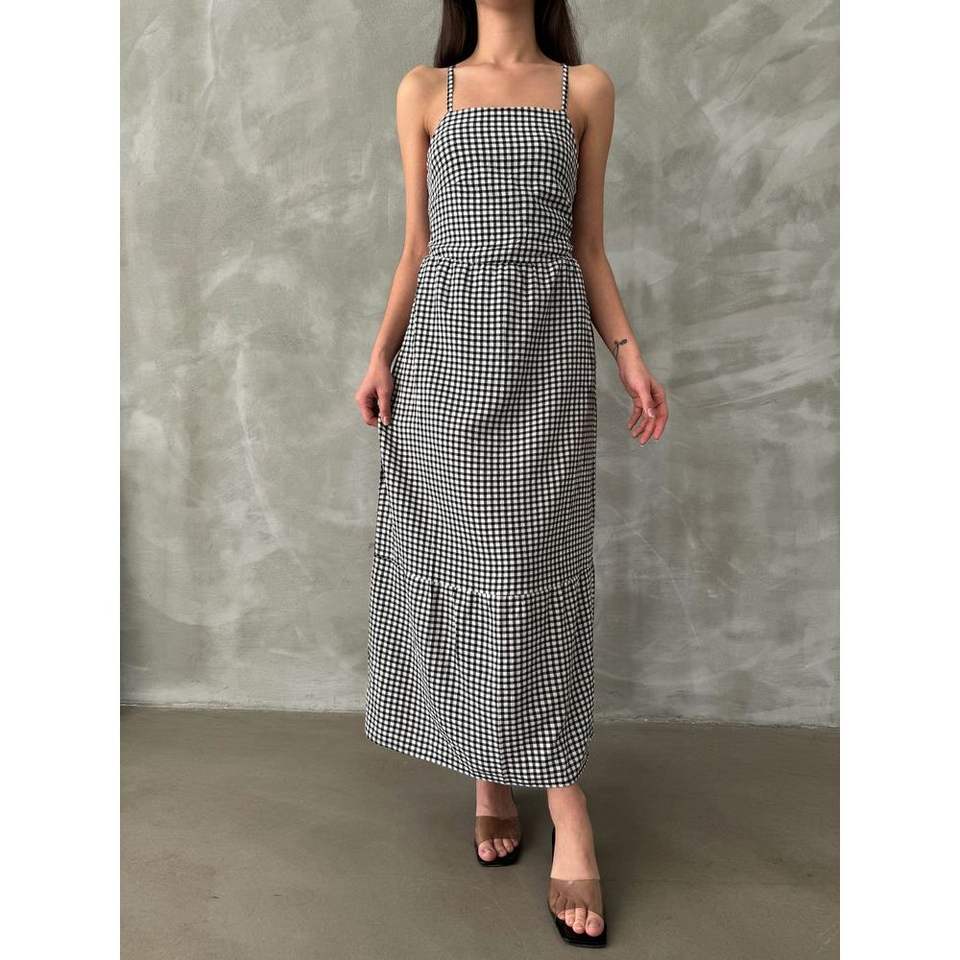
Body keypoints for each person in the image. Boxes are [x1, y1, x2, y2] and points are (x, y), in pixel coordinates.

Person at [354, 0, 667, 946]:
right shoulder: (425, 90)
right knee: (463, 567)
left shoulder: (585, 89)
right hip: (446, 367)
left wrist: (628, 355)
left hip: (545, 367)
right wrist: (381, 354)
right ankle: (492, 773)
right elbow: (418, 247)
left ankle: (565, 802)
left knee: (534, 570)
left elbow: (588, 246)